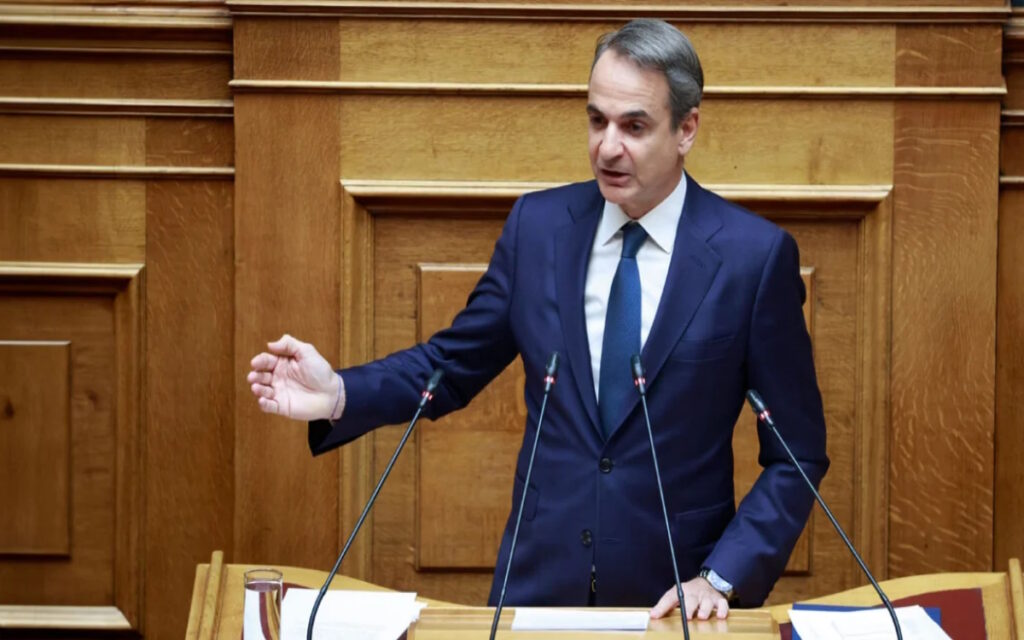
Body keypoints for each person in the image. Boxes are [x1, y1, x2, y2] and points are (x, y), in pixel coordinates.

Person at [248, 18, 828, 621]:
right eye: (597, 120)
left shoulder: (751, 259)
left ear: (687, 129)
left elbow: (797, 455)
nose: (607, 147)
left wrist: (721, 577)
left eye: (634, 126)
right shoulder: (539, 229)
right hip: (537, 589)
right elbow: (450, 365)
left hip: (675, 602)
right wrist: (340, 394)